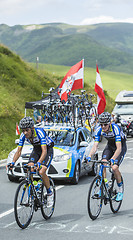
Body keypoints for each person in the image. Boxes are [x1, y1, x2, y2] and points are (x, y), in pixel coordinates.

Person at [9, 116, 54, 207]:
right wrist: (13, 163)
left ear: (32, 128)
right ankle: (32, 192)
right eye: (23, 130)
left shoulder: (40, 132)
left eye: (27, 130)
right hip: (36, 150)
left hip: (47, 150)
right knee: (29, 168)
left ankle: (50, 193)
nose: (25, 133)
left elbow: (44, 151)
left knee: (41, 171)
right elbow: (19, 151)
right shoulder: (23, 136)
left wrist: (39, 162)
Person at [87, 112, 127, 201]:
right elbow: (95, 146)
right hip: (109, 146)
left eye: (105, 124)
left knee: (114, 168)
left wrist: (113, 159)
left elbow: (119, 148)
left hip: (119, 147)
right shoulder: (98, 129)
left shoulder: (116, 128)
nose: (103, 127)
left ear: (110, 123)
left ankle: (120, 189)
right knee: (103, 162)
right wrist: (90, 155)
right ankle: (104, 184)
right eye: (101, 124)